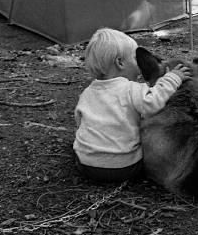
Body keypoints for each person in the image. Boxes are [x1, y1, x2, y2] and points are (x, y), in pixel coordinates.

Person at [73, 28, 191, 182]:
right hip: (126, 167)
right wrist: (172, 78)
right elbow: (153, 102)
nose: (140, 65)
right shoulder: (132, 89)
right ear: (120, 62)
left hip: (87, 166)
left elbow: (80, 122)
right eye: (135, 59)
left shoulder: (87, 93)